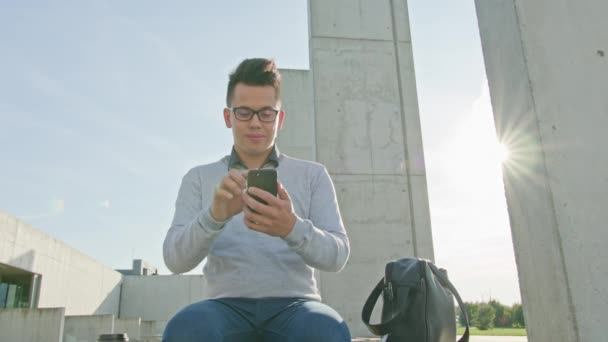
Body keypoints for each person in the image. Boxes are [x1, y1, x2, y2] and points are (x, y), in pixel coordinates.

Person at [162, 58, 351, 341]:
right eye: (244, 112)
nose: (255, 123)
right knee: (186, 329)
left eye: (266, 113)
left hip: (296, 305)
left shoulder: (312, 175)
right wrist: (214, 216)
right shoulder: (199, 178)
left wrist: (291, 227)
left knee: (326, 331)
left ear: (280, 118)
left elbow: (338, 255)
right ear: (228, 117)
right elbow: (175, 260)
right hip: (223, 306)